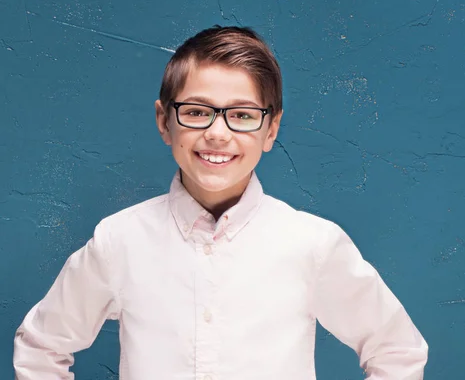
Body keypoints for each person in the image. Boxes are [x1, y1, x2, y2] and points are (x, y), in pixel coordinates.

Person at [13, 25, 428, 379]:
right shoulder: (119, 241)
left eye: (243, 115)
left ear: (271, 130)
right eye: (196, 112)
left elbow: (397, 350)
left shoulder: (313, 244)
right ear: (164, 120)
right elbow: (41, 347)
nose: (218, 133)